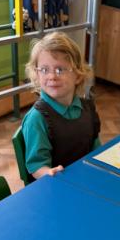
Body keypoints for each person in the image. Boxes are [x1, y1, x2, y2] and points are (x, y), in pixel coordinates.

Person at [22, 32, 101, 180]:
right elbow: (36, 166)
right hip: (56, 184)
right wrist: (49, 172)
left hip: (86, 178)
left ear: (78, 76)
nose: (52, 76)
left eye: (60, 69)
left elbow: (95, 147)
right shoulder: (36, 119)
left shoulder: (88, 108)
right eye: (44, 70)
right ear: (37, 75)